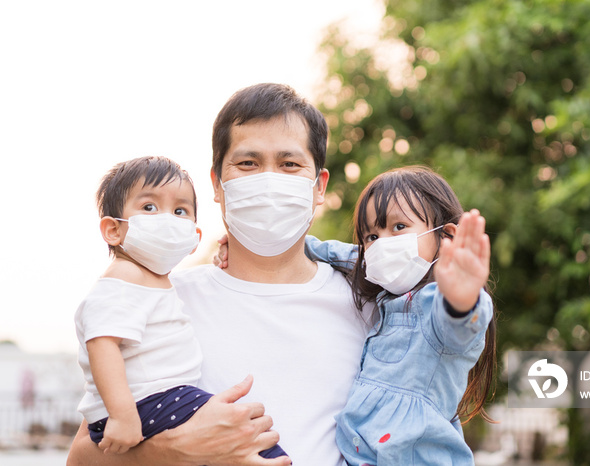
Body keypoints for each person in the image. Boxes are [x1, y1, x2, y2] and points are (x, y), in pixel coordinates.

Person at [67, 83, 369, 466]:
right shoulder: (163, 298)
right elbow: (80, 457)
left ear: (318, 186)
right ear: (216, 184)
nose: (268, 179)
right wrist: (174, 451)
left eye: (289, 164)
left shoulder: (368, 305)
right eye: (248, 163)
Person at [74, 156, 287, 459]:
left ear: (194, 237)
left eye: (180, 211)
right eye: (149, 207)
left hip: (158, 401)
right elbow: (101, 343)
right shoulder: (124, 276)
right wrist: (122, 415)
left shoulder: (152, 279)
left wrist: (223, 253)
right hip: (148, 403)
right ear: (113, 230)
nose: (168, 219)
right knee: (249, 437)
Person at [304, 166, 497, 465]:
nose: (382, 244)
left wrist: (462, 300)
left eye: (398, 227)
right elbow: (342, 254)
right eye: (371, 235)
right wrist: (287, 248)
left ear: (446, 237)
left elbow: (461, 326)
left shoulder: (436, 305)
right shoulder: (385, 294)